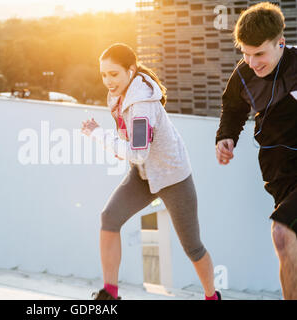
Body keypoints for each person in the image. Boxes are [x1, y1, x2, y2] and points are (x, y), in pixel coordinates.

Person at [81, 43, 221, 300]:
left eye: (114, 74)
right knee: (109, 218)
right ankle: (109, 294)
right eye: (103, 75)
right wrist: (110, 139)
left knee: (192, 247)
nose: (108, 81)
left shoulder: (142, 104)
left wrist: (97, 134)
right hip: (143, 173)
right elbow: (132, 144)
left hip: (172, 176)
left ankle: (212, 297)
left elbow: (136, 151)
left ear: (130, 71)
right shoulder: (118, 95)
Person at [215, 2, 296, 299]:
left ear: (281, 44)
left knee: (282, 235)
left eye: (259, 53)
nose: (252, 62)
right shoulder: (244, 74)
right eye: (245, 53)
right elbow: (233, 109)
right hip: (279, 175)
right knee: (288, 242)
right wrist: (226, 137)